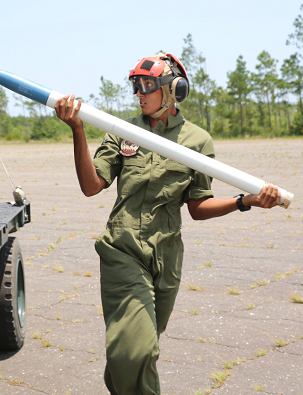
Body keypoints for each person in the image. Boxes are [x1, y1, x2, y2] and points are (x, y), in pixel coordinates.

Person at [54, 52, 280, 395]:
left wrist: (244, 201)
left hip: (167, 257)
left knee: (135, 349)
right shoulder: (122, 131)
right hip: (123, 250)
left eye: (148, 85)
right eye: (136, 86)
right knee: (137, 350)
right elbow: (91, 186)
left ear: (174, 90)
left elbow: (198, 206)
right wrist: (78, 130)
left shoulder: (197, 141)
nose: (140, 93)